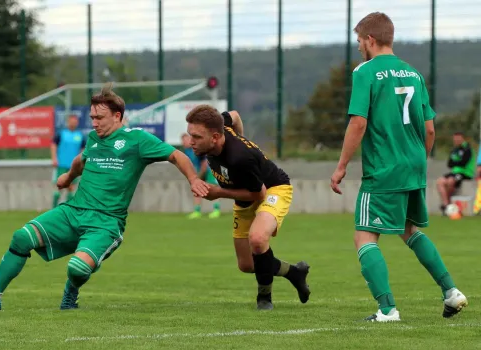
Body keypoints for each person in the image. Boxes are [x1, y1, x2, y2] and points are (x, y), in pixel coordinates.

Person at [0, 84, 210, 311]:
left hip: (106, 222)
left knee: (77, 269)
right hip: (73, 211)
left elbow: (176, 155)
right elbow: (81, 160)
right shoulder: (93, 138)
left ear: (117, 116)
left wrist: (193, 180)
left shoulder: (138, 139)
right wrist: (68, 177)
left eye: (100, 117)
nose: (94, 123)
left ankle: (71, 293)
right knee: (21, 237)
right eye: (92, 117)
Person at [330, 12, 468, 322]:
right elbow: (430, 129)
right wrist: (418, 159)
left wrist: (341, 166)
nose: (358, 48)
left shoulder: (364, 71)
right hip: (413, 166)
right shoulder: (414, 74)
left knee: (364, 236)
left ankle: (387, 309)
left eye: (358, 42)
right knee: (409, 230)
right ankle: (451, 292)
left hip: (383, 169)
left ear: (370, 40)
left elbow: (358, 122)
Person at [185, 105, 311, 310]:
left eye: (197, 137)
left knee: (258, 238)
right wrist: (241, 137)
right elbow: (234, 115)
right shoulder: (220, 128)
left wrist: (219, 192)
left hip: (272, 189)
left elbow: (259, 194)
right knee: (247, 265)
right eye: (190, 135)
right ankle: (294, 273)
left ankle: (264, 299)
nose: (191, 142)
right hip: (245, 197)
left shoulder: (240, 158)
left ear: (215, 137)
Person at [181, 133, 221, 219]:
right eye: (182, 141)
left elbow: (205, 163)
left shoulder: (197, 148)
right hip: (200, 171)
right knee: (197, 190)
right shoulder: (186, 151)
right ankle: (197, 211)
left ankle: (216, 210)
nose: (184, 142)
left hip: (209, 170)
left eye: (185, 140)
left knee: (213, 189)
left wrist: (198, 177)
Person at [435, 132, 475, 214]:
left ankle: (449, 202)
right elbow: (449, 164)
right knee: (440, 181)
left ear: (462, 138)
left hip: (465, 173)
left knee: (450, 181)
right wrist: (457, 162)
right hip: (454, 172)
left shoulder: (467, 149)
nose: (456, 140)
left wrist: (455, 162)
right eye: (455, 139)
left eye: (458, 138)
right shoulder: (454, 150)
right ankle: (446, 205)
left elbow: (463, 163)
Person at [51, 114, 85, 208]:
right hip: (61, 164)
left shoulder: (80, 136)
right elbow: (53, 145)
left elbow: (83, 150)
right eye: (71, 121)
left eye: (75, 121)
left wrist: (81, 163)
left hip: (74, 166)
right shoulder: (61, 133)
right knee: (59, 187)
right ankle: (53, 210)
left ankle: (68, 211)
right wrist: (54, 158)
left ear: (77, 123)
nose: (73, 123)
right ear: (68, 122)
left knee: (71, 188)